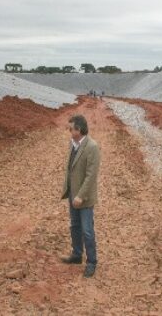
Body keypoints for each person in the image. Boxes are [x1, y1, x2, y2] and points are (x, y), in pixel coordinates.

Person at [60, 115, 101, 278]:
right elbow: (70, 168)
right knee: (74, 226)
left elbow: (91, 175)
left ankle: (91, 262)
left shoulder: (92, 146)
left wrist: (80, 196)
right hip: (72, 194)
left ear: (79, 129)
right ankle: (77, 255)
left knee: (87, 230)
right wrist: (69, 191)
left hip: (83, 197)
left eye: (71, 128)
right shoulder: (73, 143)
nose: (69, 131)